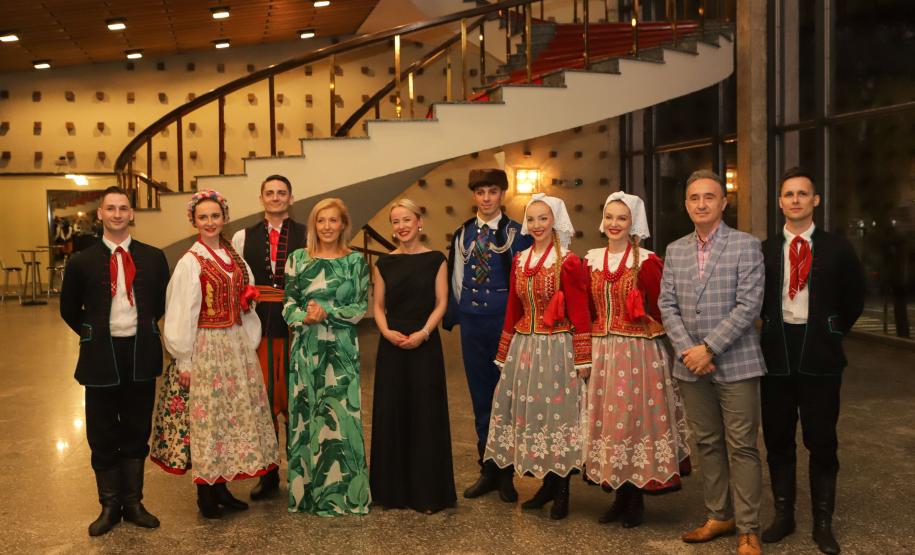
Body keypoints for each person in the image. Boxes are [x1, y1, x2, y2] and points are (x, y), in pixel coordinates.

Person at [151, 189, 280, 519]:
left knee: (228, 418)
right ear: (194, 221)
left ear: (224, 218)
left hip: (234, 345)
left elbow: (247, 294)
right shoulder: (190, 262)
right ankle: (206, 494)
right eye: (203, 217)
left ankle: (221, 487)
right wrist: (184, 358)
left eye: (215, 216)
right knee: (207, 420)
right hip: (206, 347)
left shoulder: (233, 257)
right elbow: (181, 311)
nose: (209, 222)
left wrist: (246, 312)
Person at [658, 170, 766, 555]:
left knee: (742, 446)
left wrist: (709, 348)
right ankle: (719, 515)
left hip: (736, 363)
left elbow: (749, 305)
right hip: (691, 365)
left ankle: (748, 528)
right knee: (706, 442)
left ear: (724, 202)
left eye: (709, 197)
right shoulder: (675, 250)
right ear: (686, 205)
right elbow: (666, 304)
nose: (701, 204)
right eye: (694, 198)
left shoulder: (746, 245)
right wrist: (690, 350)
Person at [759, 168, 865, 555]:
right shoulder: (766, 250)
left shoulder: (837, 248)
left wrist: (832, 330)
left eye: (803, 193)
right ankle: (783, 516)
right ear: (780, 202)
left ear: (815, 200)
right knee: (778, 439)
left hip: (821, 352)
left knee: (821, 441)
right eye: (789, 194)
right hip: (776, 353)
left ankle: (823, 523)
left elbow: (854, 297)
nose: (796, 200)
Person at [60, 185, 169, 536]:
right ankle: (109, 505)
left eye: (123, 208)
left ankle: (133, 502)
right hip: (100, 356)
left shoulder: (153, 257)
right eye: (111, 208)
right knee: (102, 430)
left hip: (140, 353)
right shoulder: (81, 261)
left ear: (131, 213)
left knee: (137, 428)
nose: (117, 214)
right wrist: (94, 332)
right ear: (100, 214)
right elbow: (68, 308)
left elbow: (160, 303)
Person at [584, 191, 691, 528]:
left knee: (634, 421)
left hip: (638, 355)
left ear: (634, 223)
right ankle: (618, 493)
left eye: (622, 218)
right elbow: (586, 309)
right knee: (610, 424)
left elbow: (663, 306)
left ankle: (635, 499)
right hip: (603, 353)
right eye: (610, 217)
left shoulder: (647, 261)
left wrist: (677, 345)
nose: (614, 224)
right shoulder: (591, 260)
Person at [484, 193, 591, 520]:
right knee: (536, 417)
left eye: (543, 218)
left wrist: (583, 356)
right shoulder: (520, 259)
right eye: (531, 219)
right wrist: (505, 349)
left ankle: (562, 490)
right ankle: (546, 485)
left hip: (557, 348)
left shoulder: (568, 261)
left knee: (558, 416)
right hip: (525, 348)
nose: (537, 224)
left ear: (555, 221)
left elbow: (580, 310)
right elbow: (513, 308)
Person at [443, 168, 531, 502]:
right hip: (473, 324)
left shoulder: (517, 233)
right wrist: (461, 313)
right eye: (480, 192)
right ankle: (488, 467)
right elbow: (457, 277)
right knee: (480, 395)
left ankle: (506, 472)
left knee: (505, 396)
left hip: (503, 323)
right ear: (473, 196)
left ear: (502, 194)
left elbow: (523, 282)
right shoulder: (463, 233)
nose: (486, 198)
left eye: (492, 191)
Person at [283, 198, 371, 516]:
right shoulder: (297, 259)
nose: (327, 227)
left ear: (343, 224)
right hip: (306, 348)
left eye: (333, 220)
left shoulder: (355, 261)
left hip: (341, 349)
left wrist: (327, 311)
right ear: (314, 225)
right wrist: (304, 316)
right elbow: (288, 303)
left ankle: (345, 497)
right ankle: (305, 495)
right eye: (321, 221)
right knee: (306, 417)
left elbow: (360, 307)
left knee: (341, 418)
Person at [369, 199, 456, 513]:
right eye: (396, 221)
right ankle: (391, 493)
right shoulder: (384, 263)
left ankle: (427, 494)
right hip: (391, 344)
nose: (402, 226)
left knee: (425, 414)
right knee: (392, 412)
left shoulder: (436, 260)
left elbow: (442, 302)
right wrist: (386, 332)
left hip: (425, 343)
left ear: (419, 222)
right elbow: (378, 306)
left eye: (407, 219)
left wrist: (424, 333)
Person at [231, 174, 307, 499]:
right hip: (257, 326)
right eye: (270, 192)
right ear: (261, 198)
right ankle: (269, 473)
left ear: (291, 198)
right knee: (262, 399)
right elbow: (238, 281)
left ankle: (301, 472)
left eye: (282, 192)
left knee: (295, 398)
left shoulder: (307, 234)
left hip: (297, 329)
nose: (276, 197)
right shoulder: (242, 236)